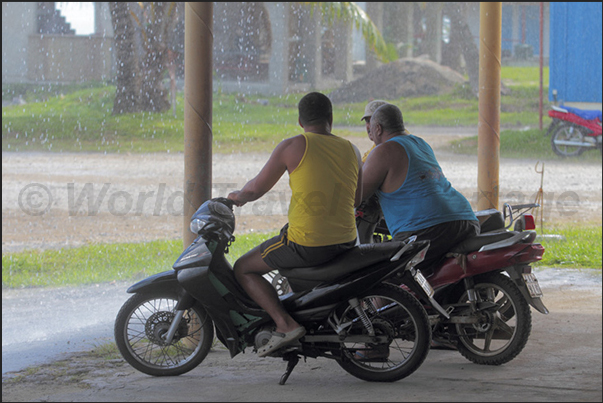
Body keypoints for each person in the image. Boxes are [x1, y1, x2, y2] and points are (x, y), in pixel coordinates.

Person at [228, 92, 363, 357]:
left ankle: (285, 324)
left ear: (300, 121)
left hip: (308, 242)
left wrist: (234, 198)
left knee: (243, 268)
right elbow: (357, 199)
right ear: (330, 119)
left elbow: (255, 189)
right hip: (347, 240)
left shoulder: (293, 146)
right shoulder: (352, 149)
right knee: (281, 238)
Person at [361, 103, 479, 274]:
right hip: (466, 221)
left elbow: (357, 196)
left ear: (378, 129)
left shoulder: (383, 151)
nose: (369, 132)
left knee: (379, 275)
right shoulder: (420, 143)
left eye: (370, 128)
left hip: (428, 229)